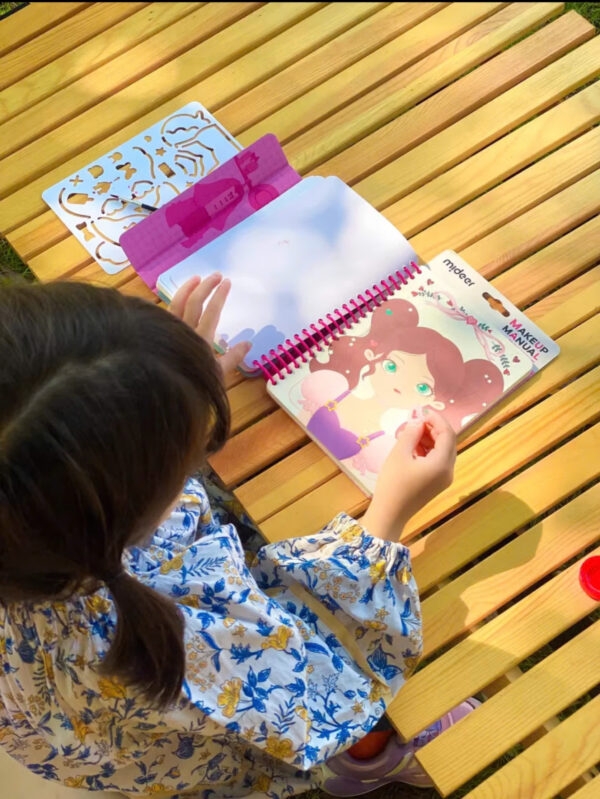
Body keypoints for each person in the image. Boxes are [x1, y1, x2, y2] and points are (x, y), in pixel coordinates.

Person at [0, 274, 478, 799]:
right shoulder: (171, 640)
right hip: (216, 738)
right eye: (188, 445)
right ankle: (365, 757)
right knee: (353, 685)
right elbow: (319, 686)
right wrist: (389, 513)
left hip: (65, 719)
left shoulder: (33, 529)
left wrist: (154, 379)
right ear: (128, 509)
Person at [299, 297, 504, 478]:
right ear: (374, 356)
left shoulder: (383, 447)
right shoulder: (330, 387)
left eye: (422, 388)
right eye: (392, 366)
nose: (400, 385)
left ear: (435, 403)